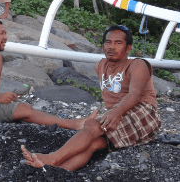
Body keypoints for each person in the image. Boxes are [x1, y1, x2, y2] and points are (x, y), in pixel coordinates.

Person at [21, 25, 160, 171]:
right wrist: (113, 113)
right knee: (94, 143)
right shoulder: (100, 66)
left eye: (118, 43)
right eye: (108, 42)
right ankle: (58, 171)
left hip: (145, 114)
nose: (112, 47)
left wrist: (116, 112)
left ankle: (51, 159)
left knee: (92, 125)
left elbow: (134, 95)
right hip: (120, 115)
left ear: (128, 48)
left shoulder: (137, 64)